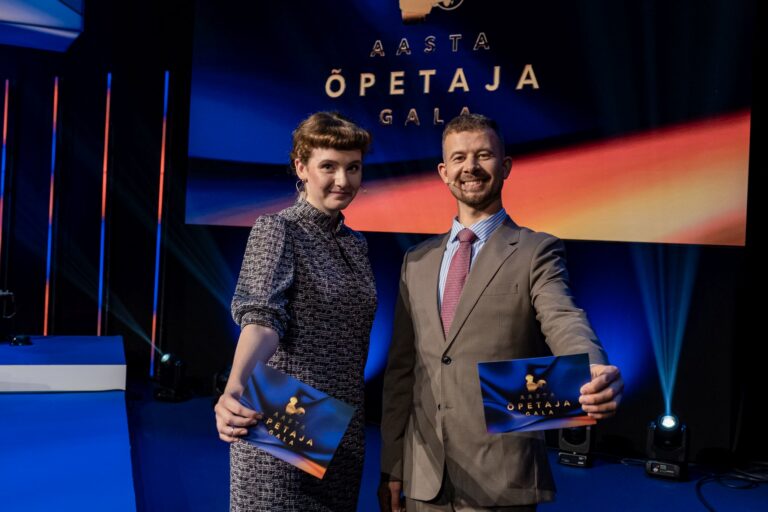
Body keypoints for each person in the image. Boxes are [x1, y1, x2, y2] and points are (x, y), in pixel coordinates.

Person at [379, 113, 624, 512]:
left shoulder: (536, 250)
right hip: (425, 478)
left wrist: (591, 366)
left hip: (502, 477)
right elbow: (401, 372)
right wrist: (392, 465)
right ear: (443, 172)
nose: (470, 167)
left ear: (505, 166)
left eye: (483, 155)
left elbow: (563, 316)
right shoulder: (416, 260)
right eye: (458, 158)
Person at [215, 111, 377, 511]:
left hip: (342, 432)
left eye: (353, 168)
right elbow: (262, 319)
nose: (343, 180)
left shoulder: (355, 244)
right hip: (282, 426)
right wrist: (234, 387)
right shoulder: (278, 228)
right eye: (329, 167)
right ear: (301, 167)